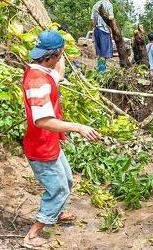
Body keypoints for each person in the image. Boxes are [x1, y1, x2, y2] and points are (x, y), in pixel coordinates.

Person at [22, 30, 100, 248]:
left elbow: (60, 74)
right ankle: (32, 235)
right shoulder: (38, 82)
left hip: (49, 144)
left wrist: (62, 53)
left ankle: (56, 213)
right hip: (41, 148)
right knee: (58, 189)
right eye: (59, 55)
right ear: (51, 56)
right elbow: (42, 120)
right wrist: (78, 127)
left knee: (66, 180)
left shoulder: (40, 72)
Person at [91, 0, 114, 73]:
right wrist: (112, 33)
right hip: (105, 31)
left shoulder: (96, 4)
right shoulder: (109, 5)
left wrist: (93, 30)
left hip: (97, 30)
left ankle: (100, 71)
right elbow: (110, 19)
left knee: (99, 53)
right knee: (104, 54)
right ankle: (102, 72)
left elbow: (92, 20)